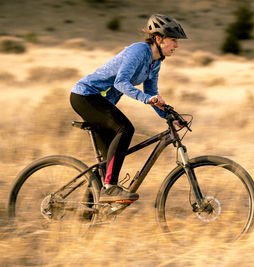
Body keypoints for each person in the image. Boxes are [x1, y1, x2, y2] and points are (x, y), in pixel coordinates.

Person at [70, 14, 187, 203]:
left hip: (101, 102)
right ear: (158, 38)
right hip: (85, 95)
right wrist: (147, 99)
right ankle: (109, 190)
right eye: (173, 40)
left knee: (109, 162)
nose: (177, 45)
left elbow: (151, 92)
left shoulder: (155, 62)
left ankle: (87, 211)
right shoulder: (139, 51)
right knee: (125, 129)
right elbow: (120, 82)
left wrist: (168, 115)